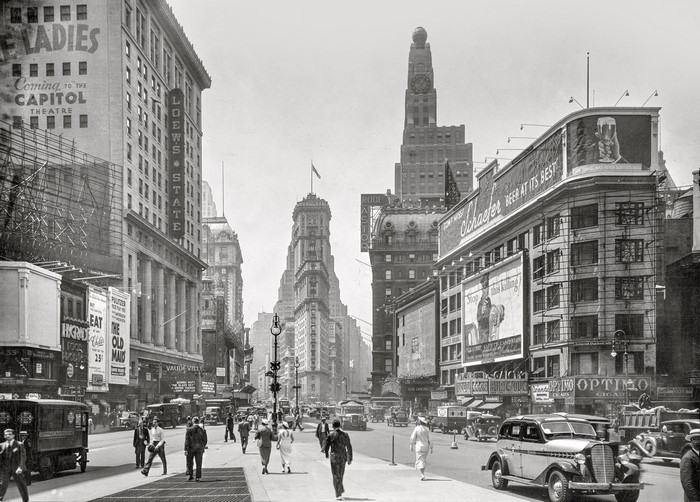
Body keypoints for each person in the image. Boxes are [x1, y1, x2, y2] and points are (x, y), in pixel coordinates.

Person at [324, 419, 352, 501]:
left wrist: (326, 454)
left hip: (334, 457)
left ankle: (338, 494)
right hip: (343, 457)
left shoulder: (330, 435)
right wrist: (350, 457)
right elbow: (349, 447)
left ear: (333, 426)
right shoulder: (345, 435)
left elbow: (326, 446)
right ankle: (340, 488)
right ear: (339, 426)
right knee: (341, 473)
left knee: (335, 475)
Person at [0, 428, 29, 502]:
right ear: (4, 436)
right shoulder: (2, 445)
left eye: (10, 434)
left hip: (17, 469)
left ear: (13, 435)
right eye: (6, 435)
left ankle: (25, 500)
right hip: (6, 469)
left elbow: (23, 457)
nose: (8, 436)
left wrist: (20, 467)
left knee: (21, 485)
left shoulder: (19, 444)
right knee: (2, 484)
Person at [184, 417, 208, 482]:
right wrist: (202, 446)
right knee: (199, 463)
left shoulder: (189, 430)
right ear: (198, 422)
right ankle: (198, 477)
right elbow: (205, 440)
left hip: (191, 449)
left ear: (193, 421)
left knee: (190, 462)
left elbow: (187, 441)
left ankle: (190, 475)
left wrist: (186, 449)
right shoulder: (202, 430)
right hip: (199, 449)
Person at [409, 416, 433, 481]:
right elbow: (430, 439)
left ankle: (422, 474)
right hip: (426, 447)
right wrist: (431, 447)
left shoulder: (417, 428)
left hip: (419, 446)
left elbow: (412, 437)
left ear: (420, 422)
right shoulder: (427, 429)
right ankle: (422, 473)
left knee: (420, 460)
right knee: (423, 460)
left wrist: (411, 445)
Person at [680, 428, 700, 502]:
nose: (698, 442)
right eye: (695, 439)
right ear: (691, 441)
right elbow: (687, 484)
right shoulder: (688, 458)